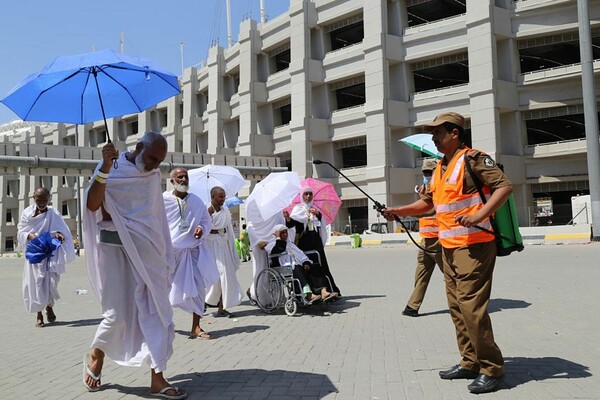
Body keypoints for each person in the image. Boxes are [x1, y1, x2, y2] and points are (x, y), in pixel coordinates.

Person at [382, 112, 511, 394]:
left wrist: (480, 215)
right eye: (432, 134)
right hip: (449, 248)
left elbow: (504, 186)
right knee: (456, 307)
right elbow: (428, 204)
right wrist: (397, 211)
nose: (434, 138)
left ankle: (492, 369)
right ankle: (470, 361)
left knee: (471, 308)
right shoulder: (441, 166)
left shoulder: (473, 159)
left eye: (438, 133)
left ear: (454, 133)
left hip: (474, 246)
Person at [83, 132, 187, 399]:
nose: (155, 165)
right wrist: (105, 168)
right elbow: (93, 204)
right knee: (116, 315)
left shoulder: (152, 177)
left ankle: (157, 379)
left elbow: (156, 218)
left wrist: (166, 253)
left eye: (160, 161)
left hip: (149, 253)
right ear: (139, 147)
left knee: (158, 312)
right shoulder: (111, 168)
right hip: (115, 252)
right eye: (152, 158)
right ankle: (97, 352)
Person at [163, 168, 219, 340]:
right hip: (170, 252)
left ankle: (196, 326)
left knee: (199, 288)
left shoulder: (196, 201)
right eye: (179, 177)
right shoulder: (162, 200)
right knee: (164, 289)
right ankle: (163, 324)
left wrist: (201, 228)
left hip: (193, 251)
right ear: (172, 181)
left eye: (185, 177)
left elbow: (205, 220)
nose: (183, 179)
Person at [17, 187, 76, 327]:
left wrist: (59, 235)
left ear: (49, 198)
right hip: (35, 255)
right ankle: (39, 315)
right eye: (39, 200)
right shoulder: (27, 213)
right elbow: (21, 231)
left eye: (44, 200)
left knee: (51, 283)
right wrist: (28, 236)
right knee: (35, 284)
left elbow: (61, 230)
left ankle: (49, 307)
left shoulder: (53, 213)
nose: (42, 202)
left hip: (50, 255)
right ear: (34, 198)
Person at [402, 159, 443, 317]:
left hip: (439, 240)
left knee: (452, 276)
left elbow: (430, 208)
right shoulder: (425, 188)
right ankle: (412, 306)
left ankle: (465, 304)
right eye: (425, 172)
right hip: (425, 240)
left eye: (430, 172)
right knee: (421, 275)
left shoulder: (440, 187)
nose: (427, 175)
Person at [259, 224, 337, 303]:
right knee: (297, 267)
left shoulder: (290, 244)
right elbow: (278, 249)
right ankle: (309, 294)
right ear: (276, 234)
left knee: (315, 266)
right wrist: (278, 238)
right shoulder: (271, 245)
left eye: (286, 232)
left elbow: (301, 254)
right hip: (285, 267)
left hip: (298, 264)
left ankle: (323, 291)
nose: (285, 234)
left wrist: (306, 262)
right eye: (282, 233)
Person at [285, 187, 341, 295]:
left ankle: (328, 289)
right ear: (302, 196)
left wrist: (317, 214)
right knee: (307, 266)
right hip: (304, 243)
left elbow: (322, 224)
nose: (308, 196)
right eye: (306, 194)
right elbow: (291, 224)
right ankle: (309, 291)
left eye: (310, 194)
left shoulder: (315, 209)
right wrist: (288, 219)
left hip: (316, 242)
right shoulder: (298, 209)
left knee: (321, 265)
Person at [205, 186, 244, 318]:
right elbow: (201, 228)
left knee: (225, 277)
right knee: (213, 278)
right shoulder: (205, 210)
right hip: (210, 246)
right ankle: (204, 302)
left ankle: (221, 307)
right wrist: (208, 215)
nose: (223, 199)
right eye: (220, 196)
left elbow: (228, 229)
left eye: (224, 196)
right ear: (212, 197)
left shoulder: (225, 211)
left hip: (223, 245)